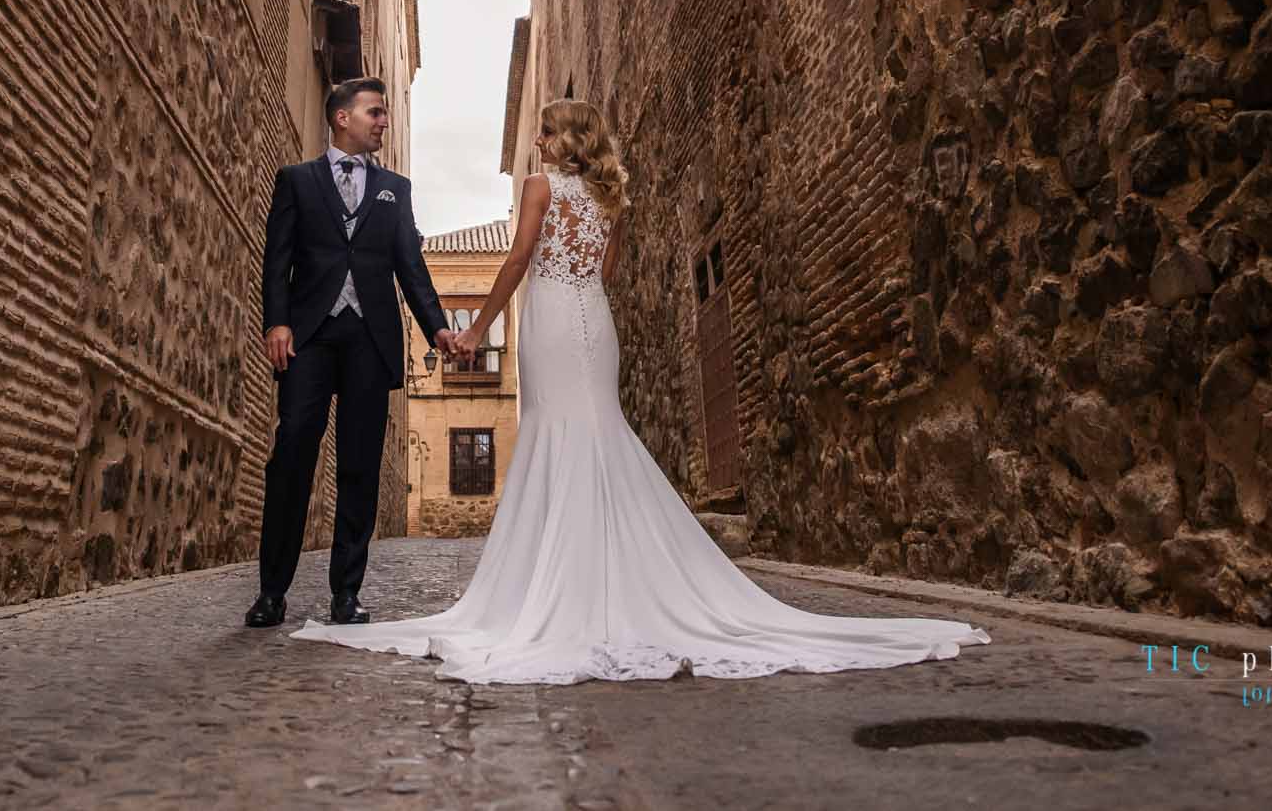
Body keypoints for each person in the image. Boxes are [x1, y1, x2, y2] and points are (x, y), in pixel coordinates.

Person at [288, 98, 992, 683]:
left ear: (566, 139)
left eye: (546, 131)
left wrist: (477, 329)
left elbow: (519, 258)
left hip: (552, 319)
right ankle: (611, 579)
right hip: (594, 317)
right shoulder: (609, 198)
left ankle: (561, 590)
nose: (538, 141)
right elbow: (608, 274)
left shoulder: (539, 187)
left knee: (557, 433)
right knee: (599, 429)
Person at [246, 78, 463, 629]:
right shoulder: (296, 180)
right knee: (292, 453)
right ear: (343, 118)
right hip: (310, 335)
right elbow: (278, 258)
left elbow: (410, 265)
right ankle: (272, 592)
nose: (383, 122)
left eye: (385, 114)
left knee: (360, 466)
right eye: (375, 112)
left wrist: (437, 327)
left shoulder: (395, 189)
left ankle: (346, 592)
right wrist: (276, 321)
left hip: (370, 337)